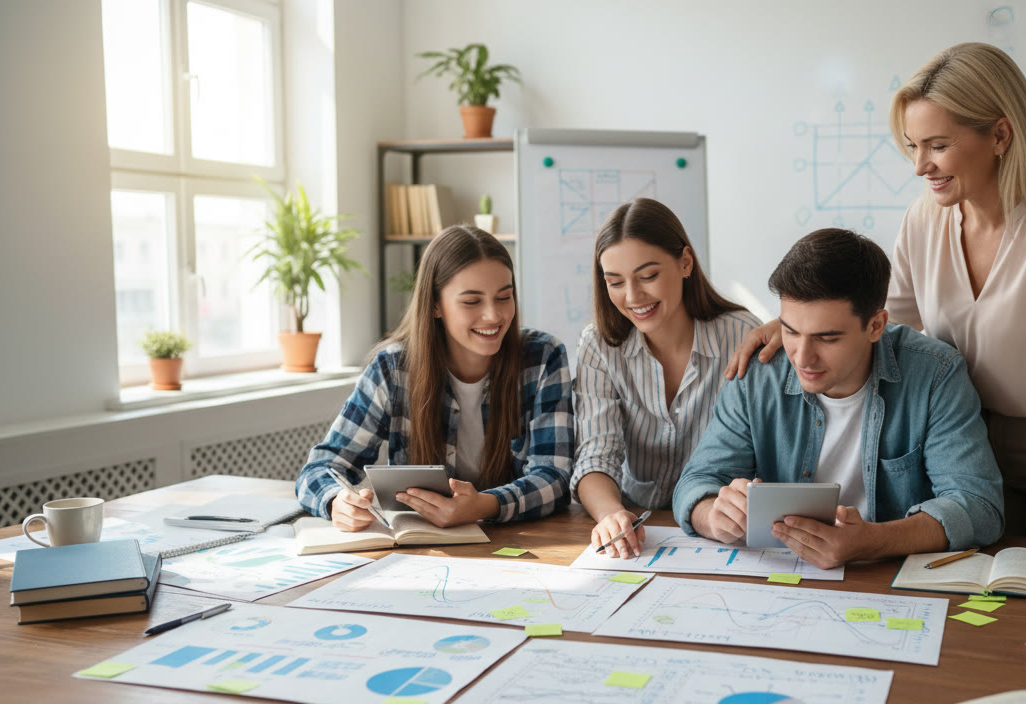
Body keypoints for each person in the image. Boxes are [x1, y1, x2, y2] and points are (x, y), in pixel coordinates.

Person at [727, 42, 1026, 566]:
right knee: (982, 602)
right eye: (914, 146)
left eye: (937, 145)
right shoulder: (927, 219)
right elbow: (877, 317)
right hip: (974, 442)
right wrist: (786, 326)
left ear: (1000, 135)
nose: (920, 165)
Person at [674, 228, 1003, 569]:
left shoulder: (935, 374)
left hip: (890, 582)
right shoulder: (756, 373)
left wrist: (874, 541)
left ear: (876, 326)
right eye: (790, 331)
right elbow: (695, 483)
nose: (802, 357)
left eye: (826, 338)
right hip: (781, 579)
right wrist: (711, 514)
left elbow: (979, 506)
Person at [295, 225, 573, 530]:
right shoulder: (393, 369)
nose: (494, 315)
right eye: (472, 302)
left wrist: (484, 505)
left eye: (504, 297)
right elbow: (321, 468)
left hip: (520, 542)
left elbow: (555, 477)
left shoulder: (543, 357)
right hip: (424, 548)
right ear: (435, 304)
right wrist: (337, 501)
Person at [573, 198, 759, 558]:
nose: (632, 297)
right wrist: (610, 513)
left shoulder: (741, 335)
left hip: (718, 531)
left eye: (648, 276)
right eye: (615, 282)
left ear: (685, 263)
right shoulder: (598, 345)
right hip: (637, 535)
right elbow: (596, 454)